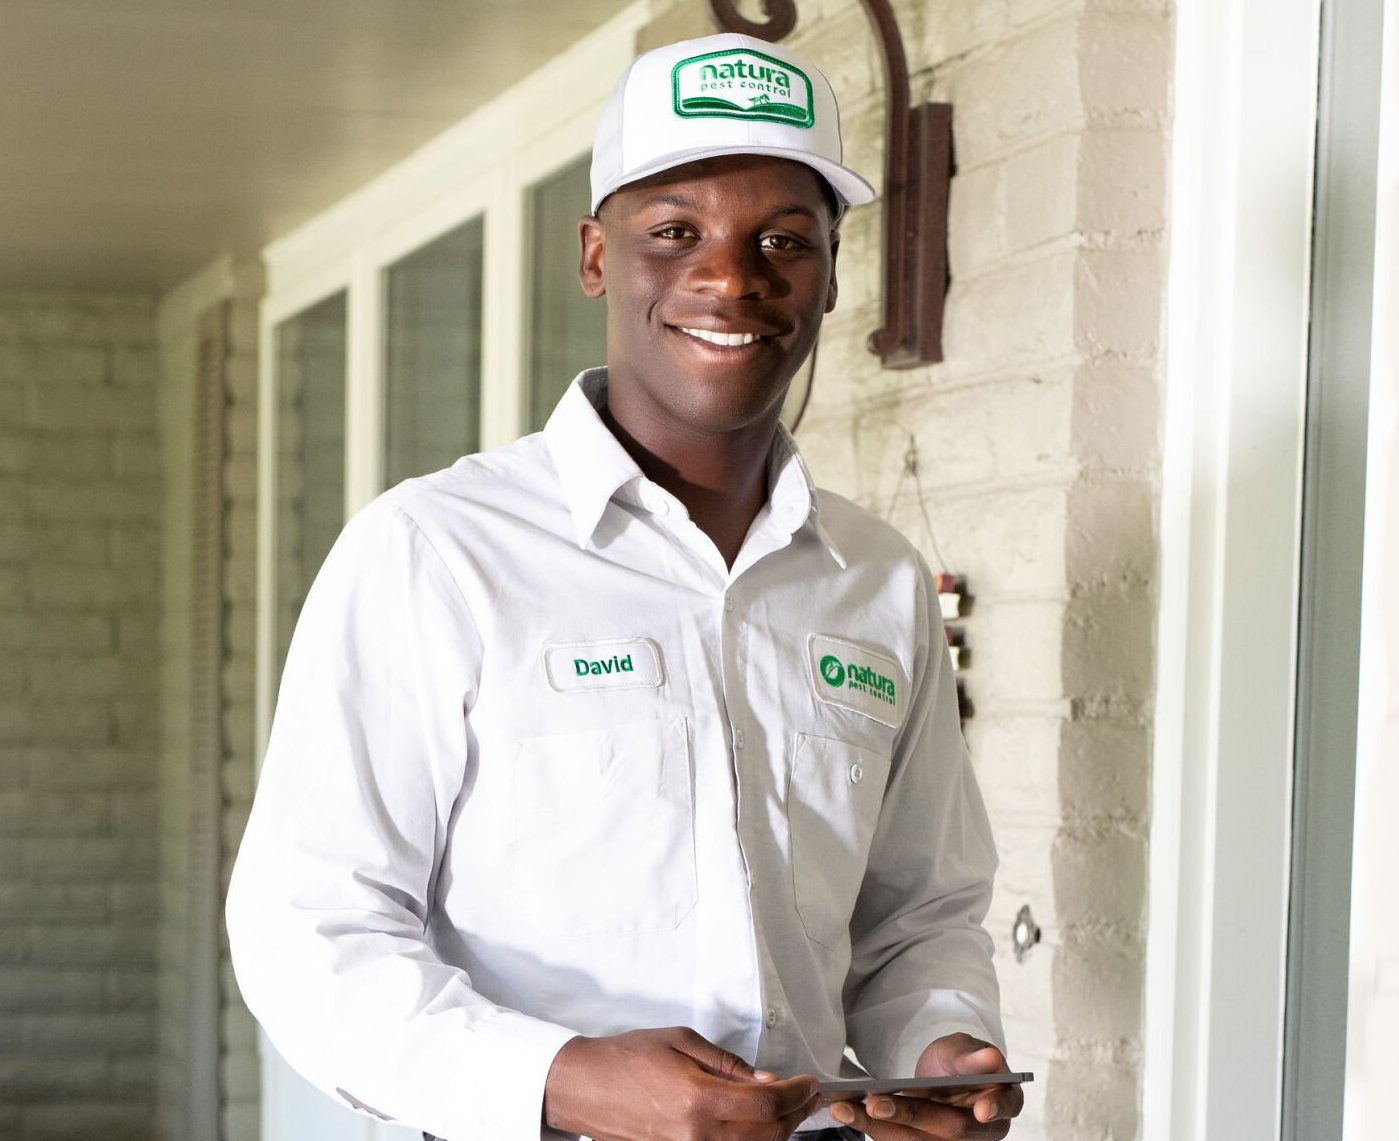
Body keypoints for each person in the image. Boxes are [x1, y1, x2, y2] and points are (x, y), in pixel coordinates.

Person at [227, 31, 1022, 1141]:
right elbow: (311, 932)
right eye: (674, 232)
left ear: (833, 275)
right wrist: (560, 1076)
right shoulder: (436, 550)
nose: (731, 275)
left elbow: (915, 916)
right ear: (597, 255)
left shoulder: (874, 581)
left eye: (783, 239)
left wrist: (937, 1051)